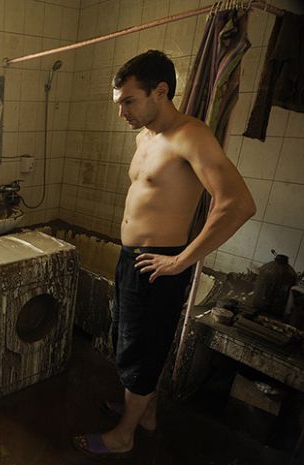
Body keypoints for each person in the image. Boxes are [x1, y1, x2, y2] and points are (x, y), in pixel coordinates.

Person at [72, 50, 256, 459]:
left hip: (161, 265)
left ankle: (124, 435)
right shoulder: (144, 137)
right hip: (131, 259)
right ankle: (146, 412)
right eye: (118, 102)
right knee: (127, 342)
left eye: (129, 101)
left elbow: (238, 203)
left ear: (160, 91)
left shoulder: (190, 135)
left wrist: (180, 260)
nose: (122, 112)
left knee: (142, 351)